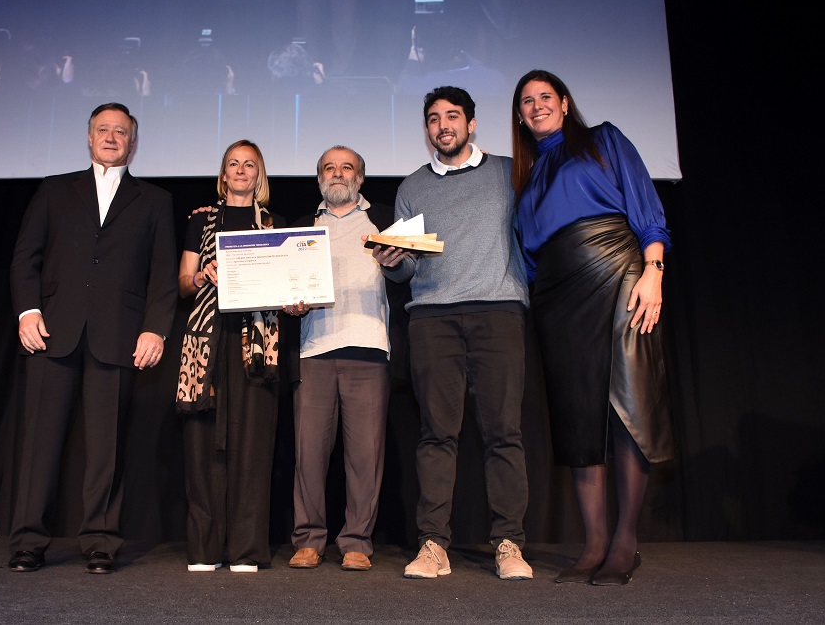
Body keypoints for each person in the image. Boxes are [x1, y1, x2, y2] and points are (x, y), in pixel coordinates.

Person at [510, 69, 674, 586]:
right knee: (579, 417)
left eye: (544, 97)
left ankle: (625, 542)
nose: (536, 106)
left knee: (626, 406)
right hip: (556, 298)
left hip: (617, 272)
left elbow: (646, 205)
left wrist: (654, 270)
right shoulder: (526, 177)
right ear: (519, 116)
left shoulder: (603, 138)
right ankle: (594, 543)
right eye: (526, 102)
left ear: (563, 101)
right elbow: (528, 253)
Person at [371, 86, 534, 580]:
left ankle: (509, 543)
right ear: (427, 130)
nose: (444, 126)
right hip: (432, 318)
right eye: (435, 119)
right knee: (436, 434)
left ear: (472, 123)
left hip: (498, 312)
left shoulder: (511, 173)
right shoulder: (412, 187)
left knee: (503, 433)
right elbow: (404, 268)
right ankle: (433, 545)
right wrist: (392, 263)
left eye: (453, 117)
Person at [8, 102, 178, 574]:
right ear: (88, 137)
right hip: (51, 333)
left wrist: (155, 328)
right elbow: (26, 258)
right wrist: (27, 310)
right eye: (102, 129)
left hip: (119, 336)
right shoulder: (54, 190)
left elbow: (163, 275)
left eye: (120, 131)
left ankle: (100, 541)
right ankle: (27, 542)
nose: (110, 137)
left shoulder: (155, 200)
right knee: (40, 443)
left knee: (107, 446)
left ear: (133, 142)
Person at [283, 146, 404, 572]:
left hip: (369, 348)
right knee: (308, 453)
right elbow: (283, 285)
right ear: (319, 178)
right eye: (329, 168)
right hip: (314, 350)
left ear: (361, 177)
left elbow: (408, 273)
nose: (337, 173)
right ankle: (309, 539)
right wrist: (289, 305)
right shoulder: (300, 225)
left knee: (365, 455)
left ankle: (357, 541)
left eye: (346, 167)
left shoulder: (386, 220)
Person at [175, 140, 284, 574]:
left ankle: (245, 550)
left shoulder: (273, 225)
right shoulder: (200, 220)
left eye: (249, 165)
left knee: (252, 447)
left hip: (256, 345)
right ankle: (204, 549)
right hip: (205, 341)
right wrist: (202, 274)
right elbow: (182, 282)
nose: (241, 171)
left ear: (259, 175)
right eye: (233, 164)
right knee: (201, 447)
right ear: (224, 174)